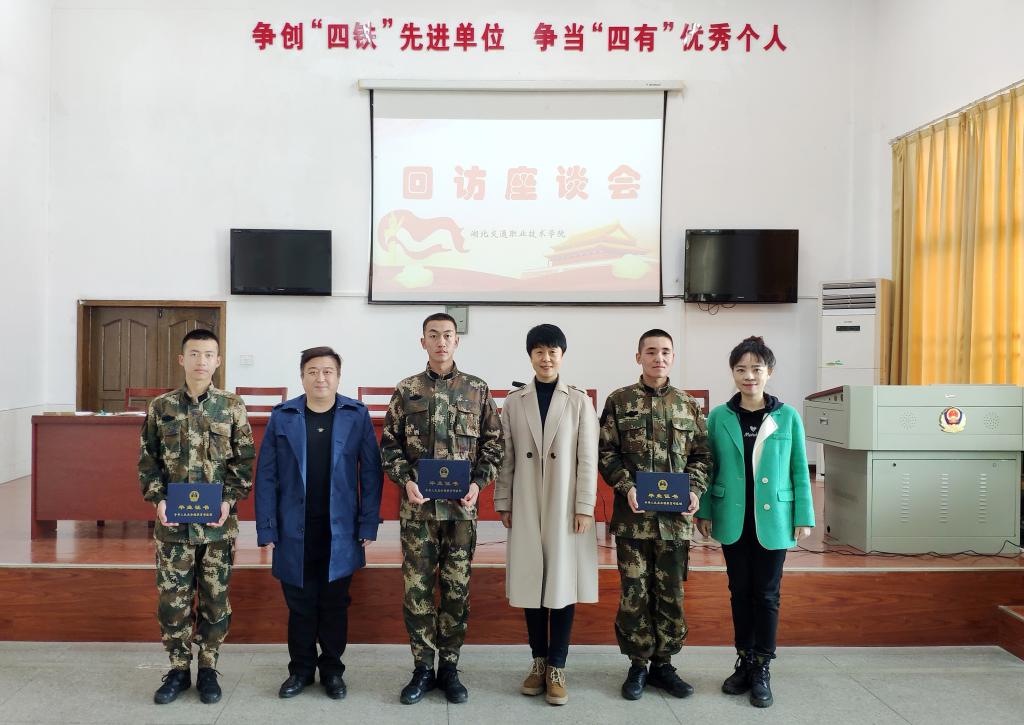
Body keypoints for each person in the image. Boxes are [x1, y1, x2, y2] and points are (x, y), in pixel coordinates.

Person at [380, 312, 504, 705]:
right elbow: (389, 446)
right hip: (418, 513)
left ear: (457, 341)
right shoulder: (407, 390)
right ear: (423, 342)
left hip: (461, 514)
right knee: (416, 591)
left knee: (456, 591)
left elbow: (494, 445)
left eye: (447, 335)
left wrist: (478, 483)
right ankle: (422, 668)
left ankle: (449, 667)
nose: (441, 342)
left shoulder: (477, 389)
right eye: (433, 335)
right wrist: (406, 480)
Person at [255, 346, 383, 700]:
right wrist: (267, 527)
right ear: (302, 377)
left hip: (340, 529)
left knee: (334, 604)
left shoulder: (356, 415)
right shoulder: (283, 416)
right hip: (293, 528)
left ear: (338, 377)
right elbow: (266, 475)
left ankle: (332, 671)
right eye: (312, 371)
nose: (320, 378)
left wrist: (368, 523)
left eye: (327, 371)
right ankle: (300, 671)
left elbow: (371, 472)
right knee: (299, 604)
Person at [695, 336, 814, 708]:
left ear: (769, 372)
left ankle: (762, 666)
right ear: (732, 373)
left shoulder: (787, 416)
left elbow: (799, 468)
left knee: (767, 594)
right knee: (739, 592)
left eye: (756, 369)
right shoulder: (719, 416)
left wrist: (803, 515)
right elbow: (708, 466)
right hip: (733, 518)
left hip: (774, 520)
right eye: (741, 369)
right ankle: (744, 660)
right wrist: (704, 511)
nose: (749, 376)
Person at [139, 328, 255, 705]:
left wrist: (229, 501)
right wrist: (158, 500)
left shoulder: (232, 406)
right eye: (194, 354)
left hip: (217, 528)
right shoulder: (161, 407)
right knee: (172, 602)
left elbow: (244, 462)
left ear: (218, 361)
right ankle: (177, 668)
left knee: (215, 602)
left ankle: (207, 667)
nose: (201, 361)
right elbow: (148, 461)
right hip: (173, 528)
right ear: (182, 359)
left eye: (208, 355)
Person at [598, 328, 710, 701]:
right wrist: (626, 486)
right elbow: (606, 453)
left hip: (675, 523)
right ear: (638, 357)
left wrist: (695, 490)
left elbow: (702, 455)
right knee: (634, 592)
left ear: (672, 357)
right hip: (633, 520)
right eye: (650, 351)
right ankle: (637, 664)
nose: (658, 357)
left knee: (671, 593)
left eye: (665, 351)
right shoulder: (619, 401)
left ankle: (664, 665)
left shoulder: (688, 404)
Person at [494, 324, 599, 706]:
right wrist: (504, 501)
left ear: (562, 355)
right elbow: (506, 456)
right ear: (530, 356)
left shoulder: (578, 401)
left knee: (561, 584)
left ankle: (557, 667)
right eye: (539, 351)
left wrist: (584, 506)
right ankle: (537, 662)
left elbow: (588, 458)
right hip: (526, 501)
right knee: (531, 582)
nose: (546, 357)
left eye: (553, 351)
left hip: (564, 504)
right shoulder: (514, 401)